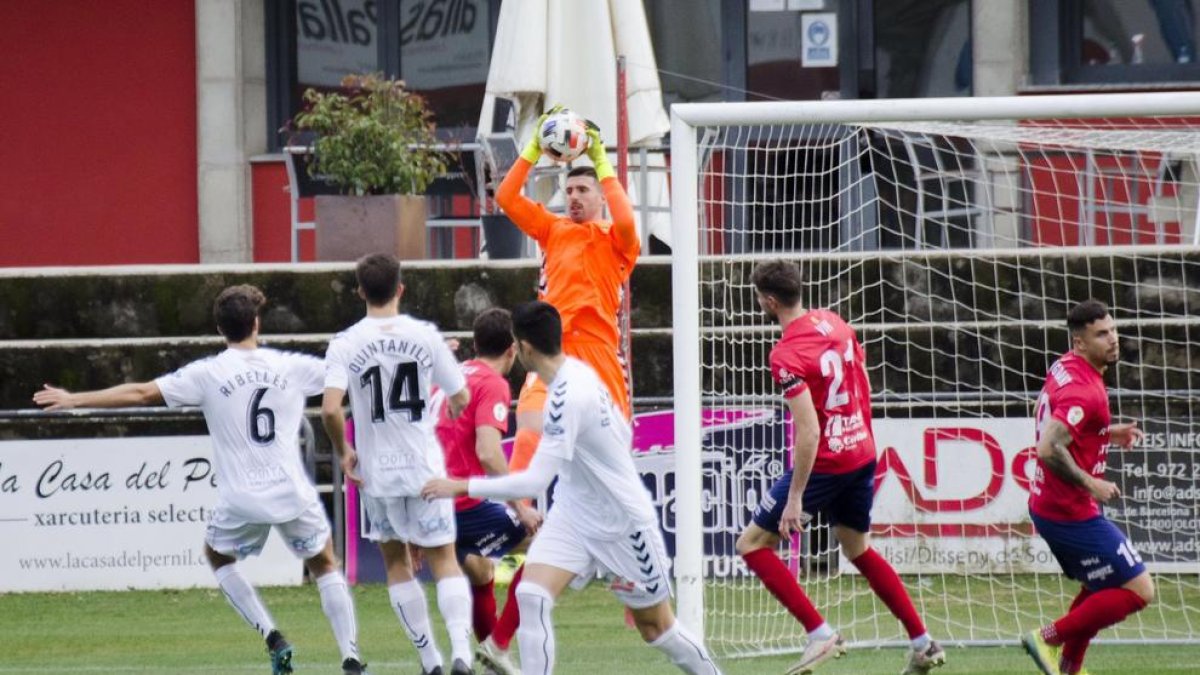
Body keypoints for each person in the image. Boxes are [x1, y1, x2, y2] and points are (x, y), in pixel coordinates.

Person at [33, 284, 366, 675]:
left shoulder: (207, 373)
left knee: (217, 557)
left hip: (241, 498)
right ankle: (351, 659)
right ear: (257, 323)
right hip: (291, 491)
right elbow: (349, 375)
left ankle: (272, 635)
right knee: (326, 564)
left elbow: (141, 393)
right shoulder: (289, 366)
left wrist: (75, 399)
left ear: (220, 329)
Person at [422, 301, 722, 675]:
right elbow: (620, 432)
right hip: (574, 514)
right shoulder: (576, 374)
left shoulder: (568, 397)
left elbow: (534, 481)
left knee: (657, 628)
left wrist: (459, 485)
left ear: (526, 348)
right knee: (531, 595)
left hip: (623, 524)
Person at [734, 261, 945, 675]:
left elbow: (809, 432)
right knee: (857, 549)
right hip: (862, 453)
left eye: (758, 295)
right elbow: (861, 384)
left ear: (769, 300)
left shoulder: (785, 355)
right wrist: (859, 438)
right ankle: (923, 643)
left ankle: (819, 634)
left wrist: (795, 499)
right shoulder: (836, 322)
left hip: (827, 463)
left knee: (752, 544)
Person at [491, 106, 643, 654]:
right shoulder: (552, 229)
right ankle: (521, 512)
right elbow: (507, 199)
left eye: (585, 189)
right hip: (551, 361)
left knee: (611, 490)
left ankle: (638, 580)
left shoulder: (616, 240)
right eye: (570, 189)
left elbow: (629, 224)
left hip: (601, 370)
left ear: (601, 196)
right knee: (528, 428)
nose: (575, 196)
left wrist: (601, 160)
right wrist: (534, 149)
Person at [320, 254, 474, 675]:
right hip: (423, 465)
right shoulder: (424, 335)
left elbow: (330, 409)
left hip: (377, 473)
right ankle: (462, 652)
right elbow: (461, 396)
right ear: (400, 288)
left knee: (395, 563)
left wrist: (343, 450)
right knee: (444, 558)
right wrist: (446, 409)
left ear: (360, 291)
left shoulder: (346, 342)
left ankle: (431, 662)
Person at [1021, 299, 1153, 675]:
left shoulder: (1065, 366)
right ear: (1080, 342)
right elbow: (1048, 447)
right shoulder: (1087, 391)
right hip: (1068, 511)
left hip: (1054, 504)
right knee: (1139, 590)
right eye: (1101, 334)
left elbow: (1045, 413)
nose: (1113, 339)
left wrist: (1106, 432)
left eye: (1112, 329)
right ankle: (1045, 637)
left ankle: (1070, 669)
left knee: (1101, 584)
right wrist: (1090, 481)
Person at [433, 307, 542, 675]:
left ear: (475, 343)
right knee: (547, 545)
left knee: (480, 571)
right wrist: (520, 506)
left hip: (435, 505)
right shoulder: (493, 382)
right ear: (513, 349)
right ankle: (498, 644)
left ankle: (491, 657)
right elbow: (489, 452)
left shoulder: (451, 374)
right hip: (464, 503)